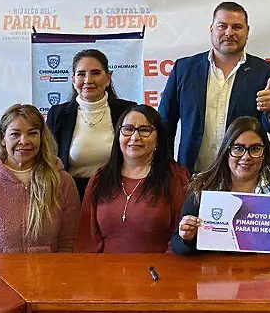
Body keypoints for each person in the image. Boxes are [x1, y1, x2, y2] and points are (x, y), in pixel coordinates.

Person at [157, 2, 270, 173]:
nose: (229, 33)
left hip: (247, 176)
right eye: (222, 26)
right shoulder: (184, 69)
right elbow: (165, 123)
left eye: (237, 27)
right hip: (193, 175)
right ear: (211, 29)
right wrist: (165, 169)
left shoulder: (264, 71)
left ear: (247, 31)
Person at [171, 116, 270, 257]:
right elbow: (176, 244)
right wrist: (187, 238)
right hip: (214, 269)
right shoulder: (204, 185)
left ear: (264, 153)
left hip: (267, 269)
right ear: (226, 152)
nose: (246, 157)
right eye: (238, 148)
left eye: (255, 149)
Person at [0, 103, 81, 254]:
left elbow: (69, 244)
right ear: (3, 139)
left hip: (50, 270)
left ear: (41, 137)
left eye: (32, 133)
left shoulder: (62, 182)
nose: (24, 141)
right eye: (15, 134)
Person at [74, 105, 190, 253]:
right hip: (105, 266)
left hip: (159, 266)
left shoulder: (176, 177)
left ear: (158, 139)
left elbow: (181, 237)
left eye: (144, 130)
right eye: (128, 129)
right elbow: (86, 239)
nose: (135, 137)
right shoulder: (100, 178)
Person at [46, 49, 137, 199]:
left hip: (119, 193)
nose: (88, 80)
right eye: (81, 74)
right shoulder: (58, 115)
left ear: (108, 78)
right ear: (73, 80)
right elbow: (48, 160)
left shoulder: (127, 111)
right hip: (73, 195)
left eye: (95, 73)